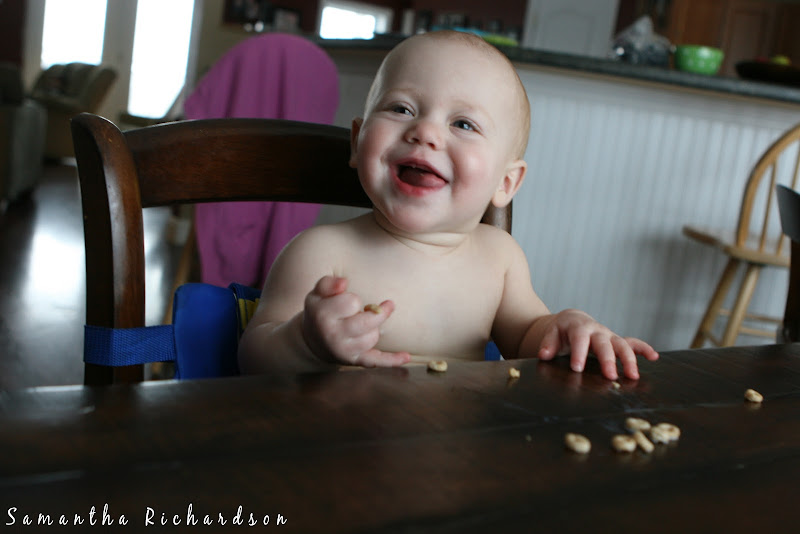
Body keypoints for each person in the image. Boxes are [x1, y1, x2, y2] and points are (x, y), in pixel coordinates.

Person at [238, 30, 659, 380]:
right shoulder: (322, 253)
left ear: (506, 183)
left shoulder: (500, 258)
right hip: (342, 443)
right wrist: (305, 342)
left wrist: (567, 330)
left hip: (459, 446)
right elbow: (252, 356)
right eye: (402, 108)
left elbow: (529, 337)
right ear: (357, 141)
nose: (425, 131)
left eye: (463, 123)